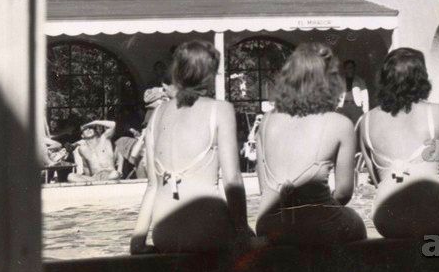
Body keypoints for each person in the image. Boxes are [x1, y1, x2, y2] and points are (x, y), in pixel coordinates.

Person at [130, 41, 252, 254]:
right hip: (208, 228)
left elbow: (152, 186)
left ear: (176, 71)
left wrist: (137, 240)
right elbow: (232, 179)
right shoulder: (220, 110)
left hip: (164, 232)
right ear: (210, 74)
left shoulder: (157, 115)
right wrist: (243, 230)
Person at [255, 43, 367, 246]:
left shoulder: (266, 121)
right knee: (355, 221)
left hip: (270, 223)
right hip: (318, 222)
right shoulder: (340, 123)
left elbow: (265, 187)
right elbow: (343, 192)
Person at [359, 47, 439, 240]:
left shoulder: (366, 121)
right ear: (422, 78)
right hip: (435, 216)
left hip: (388, 219)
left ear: (384, 79)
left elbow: (379, 181)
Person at [337, 60, 370, 125]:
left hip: (356, 108)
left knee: (356, 127)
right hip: (343, 107)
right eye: (347, 68)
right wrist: (337, 108)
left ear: (354, 69)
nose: (350, 70)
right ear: (344, 69)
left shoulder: (360, 81)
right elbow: (336, 95)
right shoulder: (340, 81)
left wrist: (366, 113)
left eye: (351, 67)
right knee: (343, 127)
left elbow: (365, 98)